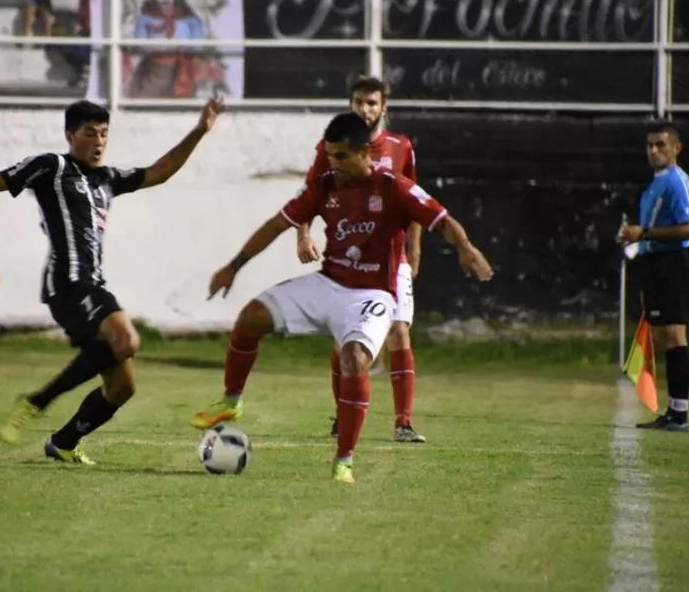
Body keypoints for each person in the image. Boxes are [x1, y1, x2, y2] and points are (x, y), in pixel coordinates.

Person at [0, 97, 225, 464]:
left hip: (93, 284)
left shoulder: (107, 179)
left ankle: (64, 442)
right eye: (89, 133)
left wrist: (199, 132)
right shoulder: (52, 166)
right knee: (126, 338)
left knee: (122, 387)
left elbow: (159, 172)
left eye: (103, 134)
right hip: (67, 283)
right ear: (70, 135)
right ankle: (39, 400)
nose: (99, 141)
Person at [191, 113, 493, 484]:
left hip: (372, 295)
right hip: (328, 283)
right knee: (250, 316)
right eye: (329, 155)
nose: (332, 163)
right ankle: (232, 402)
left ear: (364, 152)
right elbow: (275, 225)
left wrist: (465, 246)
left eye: (340, 156)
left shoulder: (393, 187)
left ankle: (343, 461)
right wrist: (234, 267)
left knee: (353, 360)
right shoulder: (324, 186)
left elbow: (442, 218)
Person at [297, 75, 426, 442]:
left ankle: (403, 422)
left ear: (384, 107)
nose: (364, 109)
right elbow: (307, 196)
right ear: (350, 104)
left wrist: (414, 249)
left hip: (391, 255)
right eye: (358, 102)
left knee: (400, 330)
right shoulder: (331, 147)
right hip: (347, 259)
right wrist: (303, 234)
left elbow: (415, 202)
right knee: (345, 340)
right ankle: (343, 414)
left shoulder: (401, 147)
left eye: (372, 103)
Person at [617, 124, 689, 432]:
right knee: (664, 336)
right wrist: (635, 238)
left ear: (676, 148)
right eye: (650, 145)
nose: (654, 151)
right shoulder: (656, 183)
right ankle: (673, 411)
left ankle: (680, 414)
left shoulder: (678, 182)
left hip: (671, 265)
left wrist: (646, 233)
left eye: (661, 145)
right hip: (654, 263)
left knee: (676, 336)